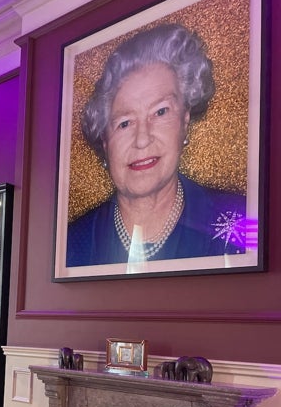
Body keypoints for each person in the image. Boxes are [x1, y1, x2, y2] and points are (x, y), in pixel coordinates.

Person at [67, 23, 246, 267]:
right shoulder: (71, 244)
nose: (142, 139)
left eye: (160, 112)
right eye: (124, 123)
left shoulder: (242, 221)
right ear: (105, 142)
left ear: (184, 122)